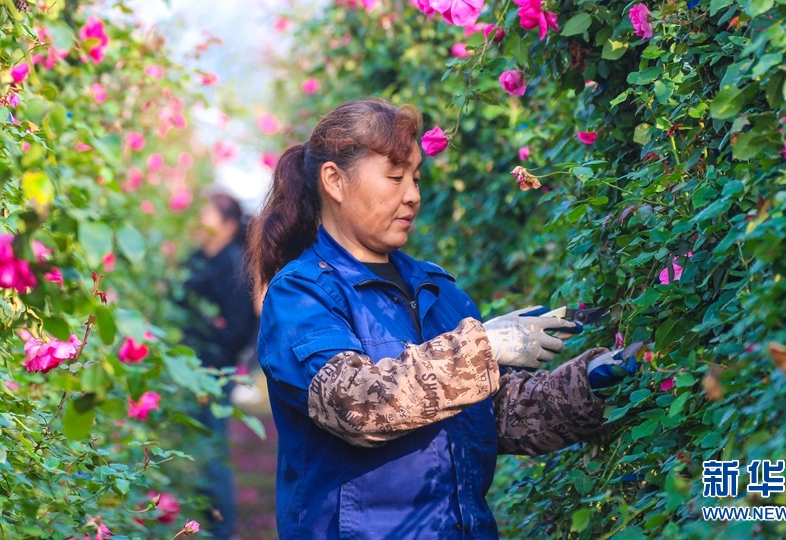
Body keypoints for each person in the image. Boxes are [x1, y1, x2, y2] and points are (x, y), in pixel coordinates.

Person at [248, 99, 641, 539]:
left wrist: (589, 384)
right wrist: (485, 347)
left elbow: (495, 415)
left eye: (415, 177)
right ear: (335, 181)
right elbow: (355, 406)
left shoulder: (437, 289)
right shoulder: (301, 295)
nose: (412, 194)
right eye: (395, 177)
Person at [181, 191, 259, 540]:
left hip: (215, 372)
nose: (199, 220)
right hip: (190, 368)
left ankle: (222, 528)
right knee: (201, 447)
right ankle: (206, 522)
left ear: (227, 225)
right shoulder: (197, 259)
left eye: (206, 214)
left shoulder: (233, 265)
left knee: (213, 447)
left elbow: (240, 327)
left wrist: (216, 363)